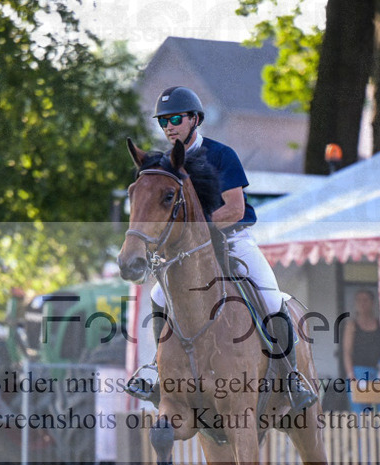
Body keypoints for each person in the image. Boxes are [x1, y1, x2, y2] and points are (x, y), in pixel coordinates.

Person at [134, 86, 317, 413]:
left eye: (175, 118)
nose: (169, 126)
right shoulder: (164, 165)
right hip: (187, 253)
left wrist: (198, 229)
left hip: (233, 240)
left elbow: (234, 207)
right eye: (163, 121)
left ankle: (291, 377)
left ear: (195, 119)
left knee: (273, 297)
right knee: (159, 296)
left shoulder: (221, 154)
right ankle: (156, 368)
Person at [341, 289, 380, 413]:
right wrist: (351, 375)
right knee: (361, 411)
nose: (362, 303)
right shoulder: (352, 325)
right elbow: (347, 352)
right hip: (358, 371)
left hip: (378, 370)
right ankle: (363, 432)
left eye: (365, 300)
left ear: (372, 303)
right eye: (359, 300)